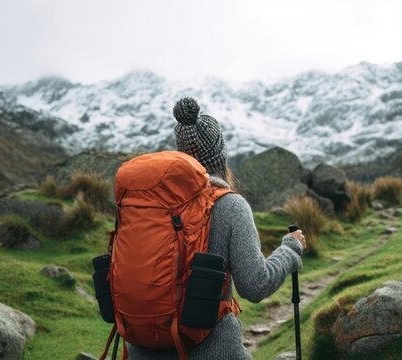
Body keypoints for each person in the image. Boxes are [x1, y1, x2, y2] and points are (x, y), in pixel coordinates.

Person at [127, 97, 306, 360]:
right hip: (213, 350)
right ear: (220, 156)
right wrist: (290, 249)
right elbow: (255, 285)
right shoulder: (229, 204)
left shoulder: (149, 202)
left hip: (143, 346)